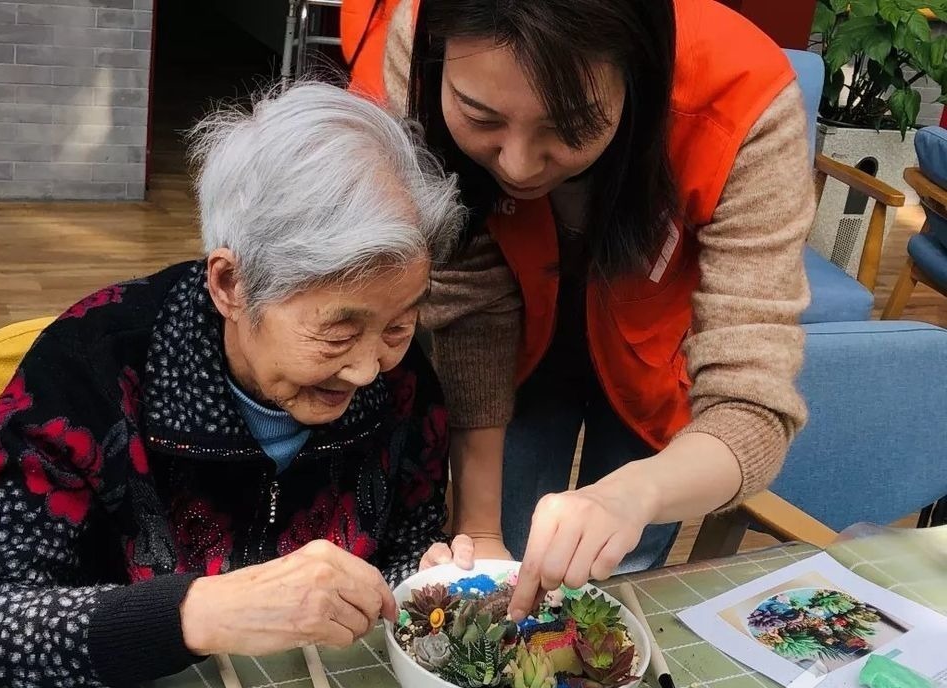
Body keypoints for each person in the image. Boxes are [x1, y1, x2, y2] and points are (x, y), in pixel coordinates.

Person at [0, 82, 473, 688]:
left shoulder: (403, 383)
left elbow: (405, 545)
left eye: (400, 323)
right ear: (230, 284)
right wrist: (197, 613)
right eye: (338, 330)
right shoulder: (84, 376)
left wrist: (425, 578)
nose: (368, 369)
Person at [342, 0, 816, 618]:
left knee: (614, 570)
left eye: (567, 127)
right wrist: (481, 534)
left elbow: (751, 404)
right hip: (507, 351)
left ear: (641, 77)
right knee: (506, 545)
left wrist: (639, 493)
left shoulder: (745, 104)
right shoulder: (422, 38)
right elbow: (468, 301)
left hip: (655, 353)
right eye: (480, 116)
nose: (517, 164)